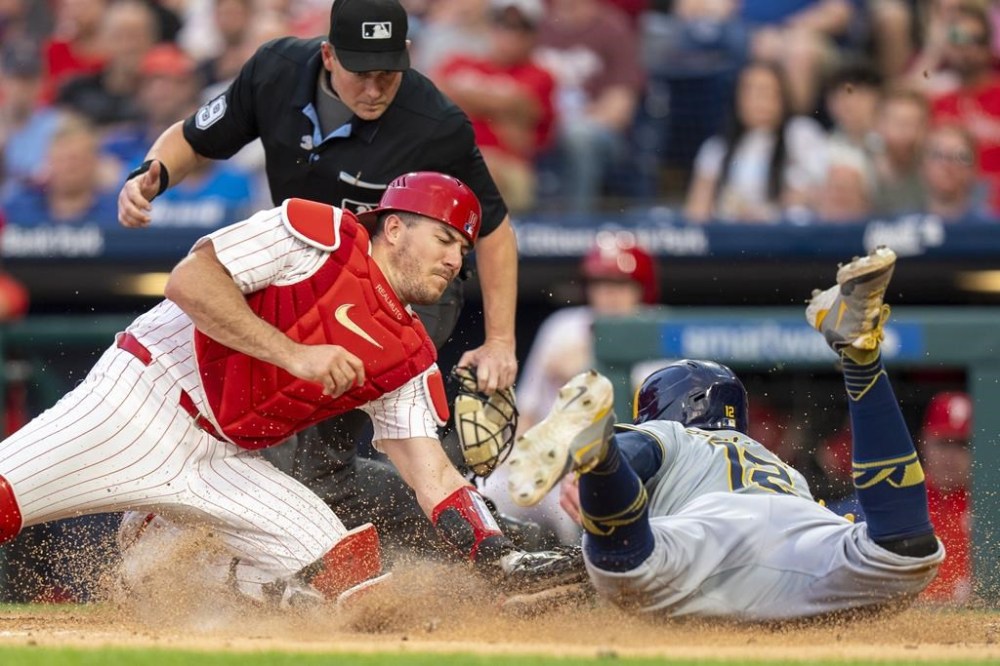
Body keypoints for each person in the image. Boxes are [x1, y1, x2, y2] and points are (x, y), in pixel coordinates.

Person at [0, 171, 562, 607]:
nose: (453, 258)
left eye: (462, 250)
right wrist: (294, 353)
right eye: (443, 238)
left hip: (224, 459)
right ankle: (158, 543)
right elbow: (190, 281)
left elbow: (432, 474)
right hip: (143, 397)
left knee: (347, 577)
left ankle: (156, 565)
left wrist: (494, 552)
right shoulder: (312, 232)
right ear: (394, 227)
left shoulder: (410, 353)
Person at [115, 0, 520, 561]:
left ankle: (473, 542)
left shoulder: (437, 123)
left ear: (407, 56)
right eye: (361, 71)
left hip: (406, 289)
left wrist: (500, 339)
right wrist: (150, 175)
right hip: (303, 276)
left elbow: (495, 231)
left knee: (319, 428)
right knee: (294, 435)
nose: (376, 88)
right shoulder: (276, 70)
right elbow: (191, 139)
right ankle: (466, 537)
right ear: (328, 55)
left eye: (388, 72)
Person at [506, 246, 945, 621]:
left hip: (703, 536)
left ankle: (600, 455)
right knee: (905, 551)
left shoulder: (675, 435)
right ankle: (862, 359)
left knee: (625, 568)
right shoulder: (777, 465)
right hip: (801, 536)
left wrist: (601, 473)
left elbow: (640, 447)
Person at [920, 390, 972, 603]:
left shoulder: (988, 503)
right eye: (943, 442)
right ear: (924, 442)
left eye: (962, 444)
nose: (951, 455)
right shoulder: (903, 498)